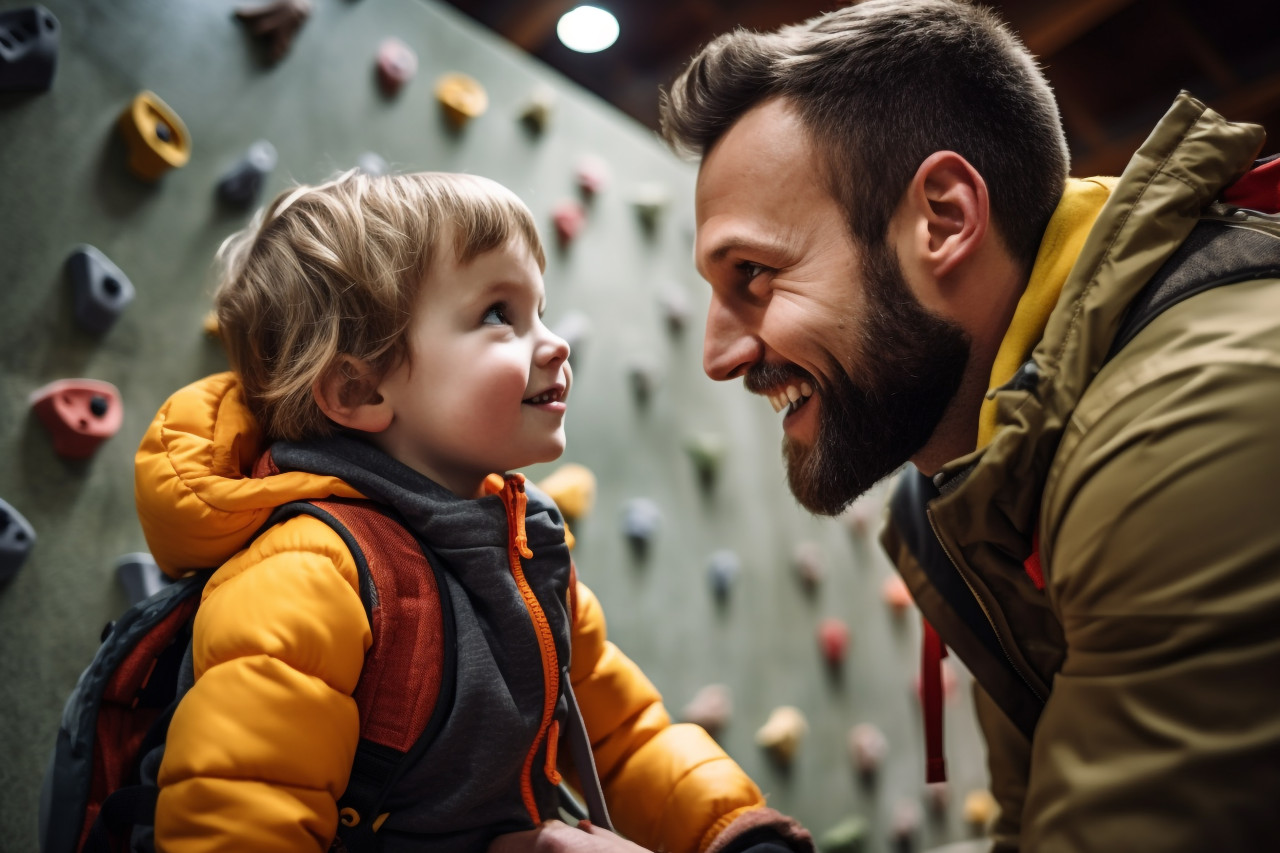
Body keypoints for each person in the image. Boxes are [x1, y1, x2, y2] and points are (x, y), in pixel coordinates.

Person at [651, 0, 1280, 851]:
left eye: (755, 275)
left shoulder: (1186, 422)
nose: (720, 355)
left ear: (943, 219)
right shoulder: (994, 475)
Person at [134, 171, 812, 853]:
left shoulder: (527, 552)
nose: (555, 343)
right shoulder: (308, 576)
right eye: (499, 314)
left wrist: (733, 834)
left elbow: (622, 737)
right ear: (359, 387)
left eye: (541, 310)